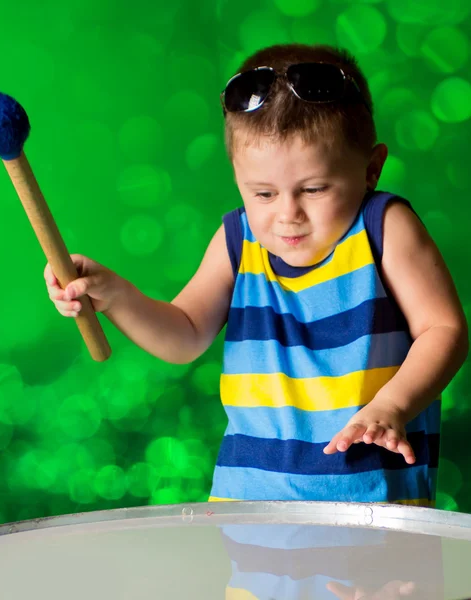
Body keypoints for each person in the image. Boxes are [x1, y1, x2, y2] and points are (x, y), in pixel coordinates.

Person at [44, 43, 468, 505]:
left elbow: (443, 329)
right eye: (263, 193)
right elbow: (184, 335)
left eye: (314, 189)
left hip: (371, 509)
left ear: (371, 168)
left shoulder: (383, 226)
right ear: (237, 178)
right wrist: (115, 295)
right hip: (251, 509)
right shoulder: (237, 240)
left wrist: (392, 404)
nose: (288, 214)